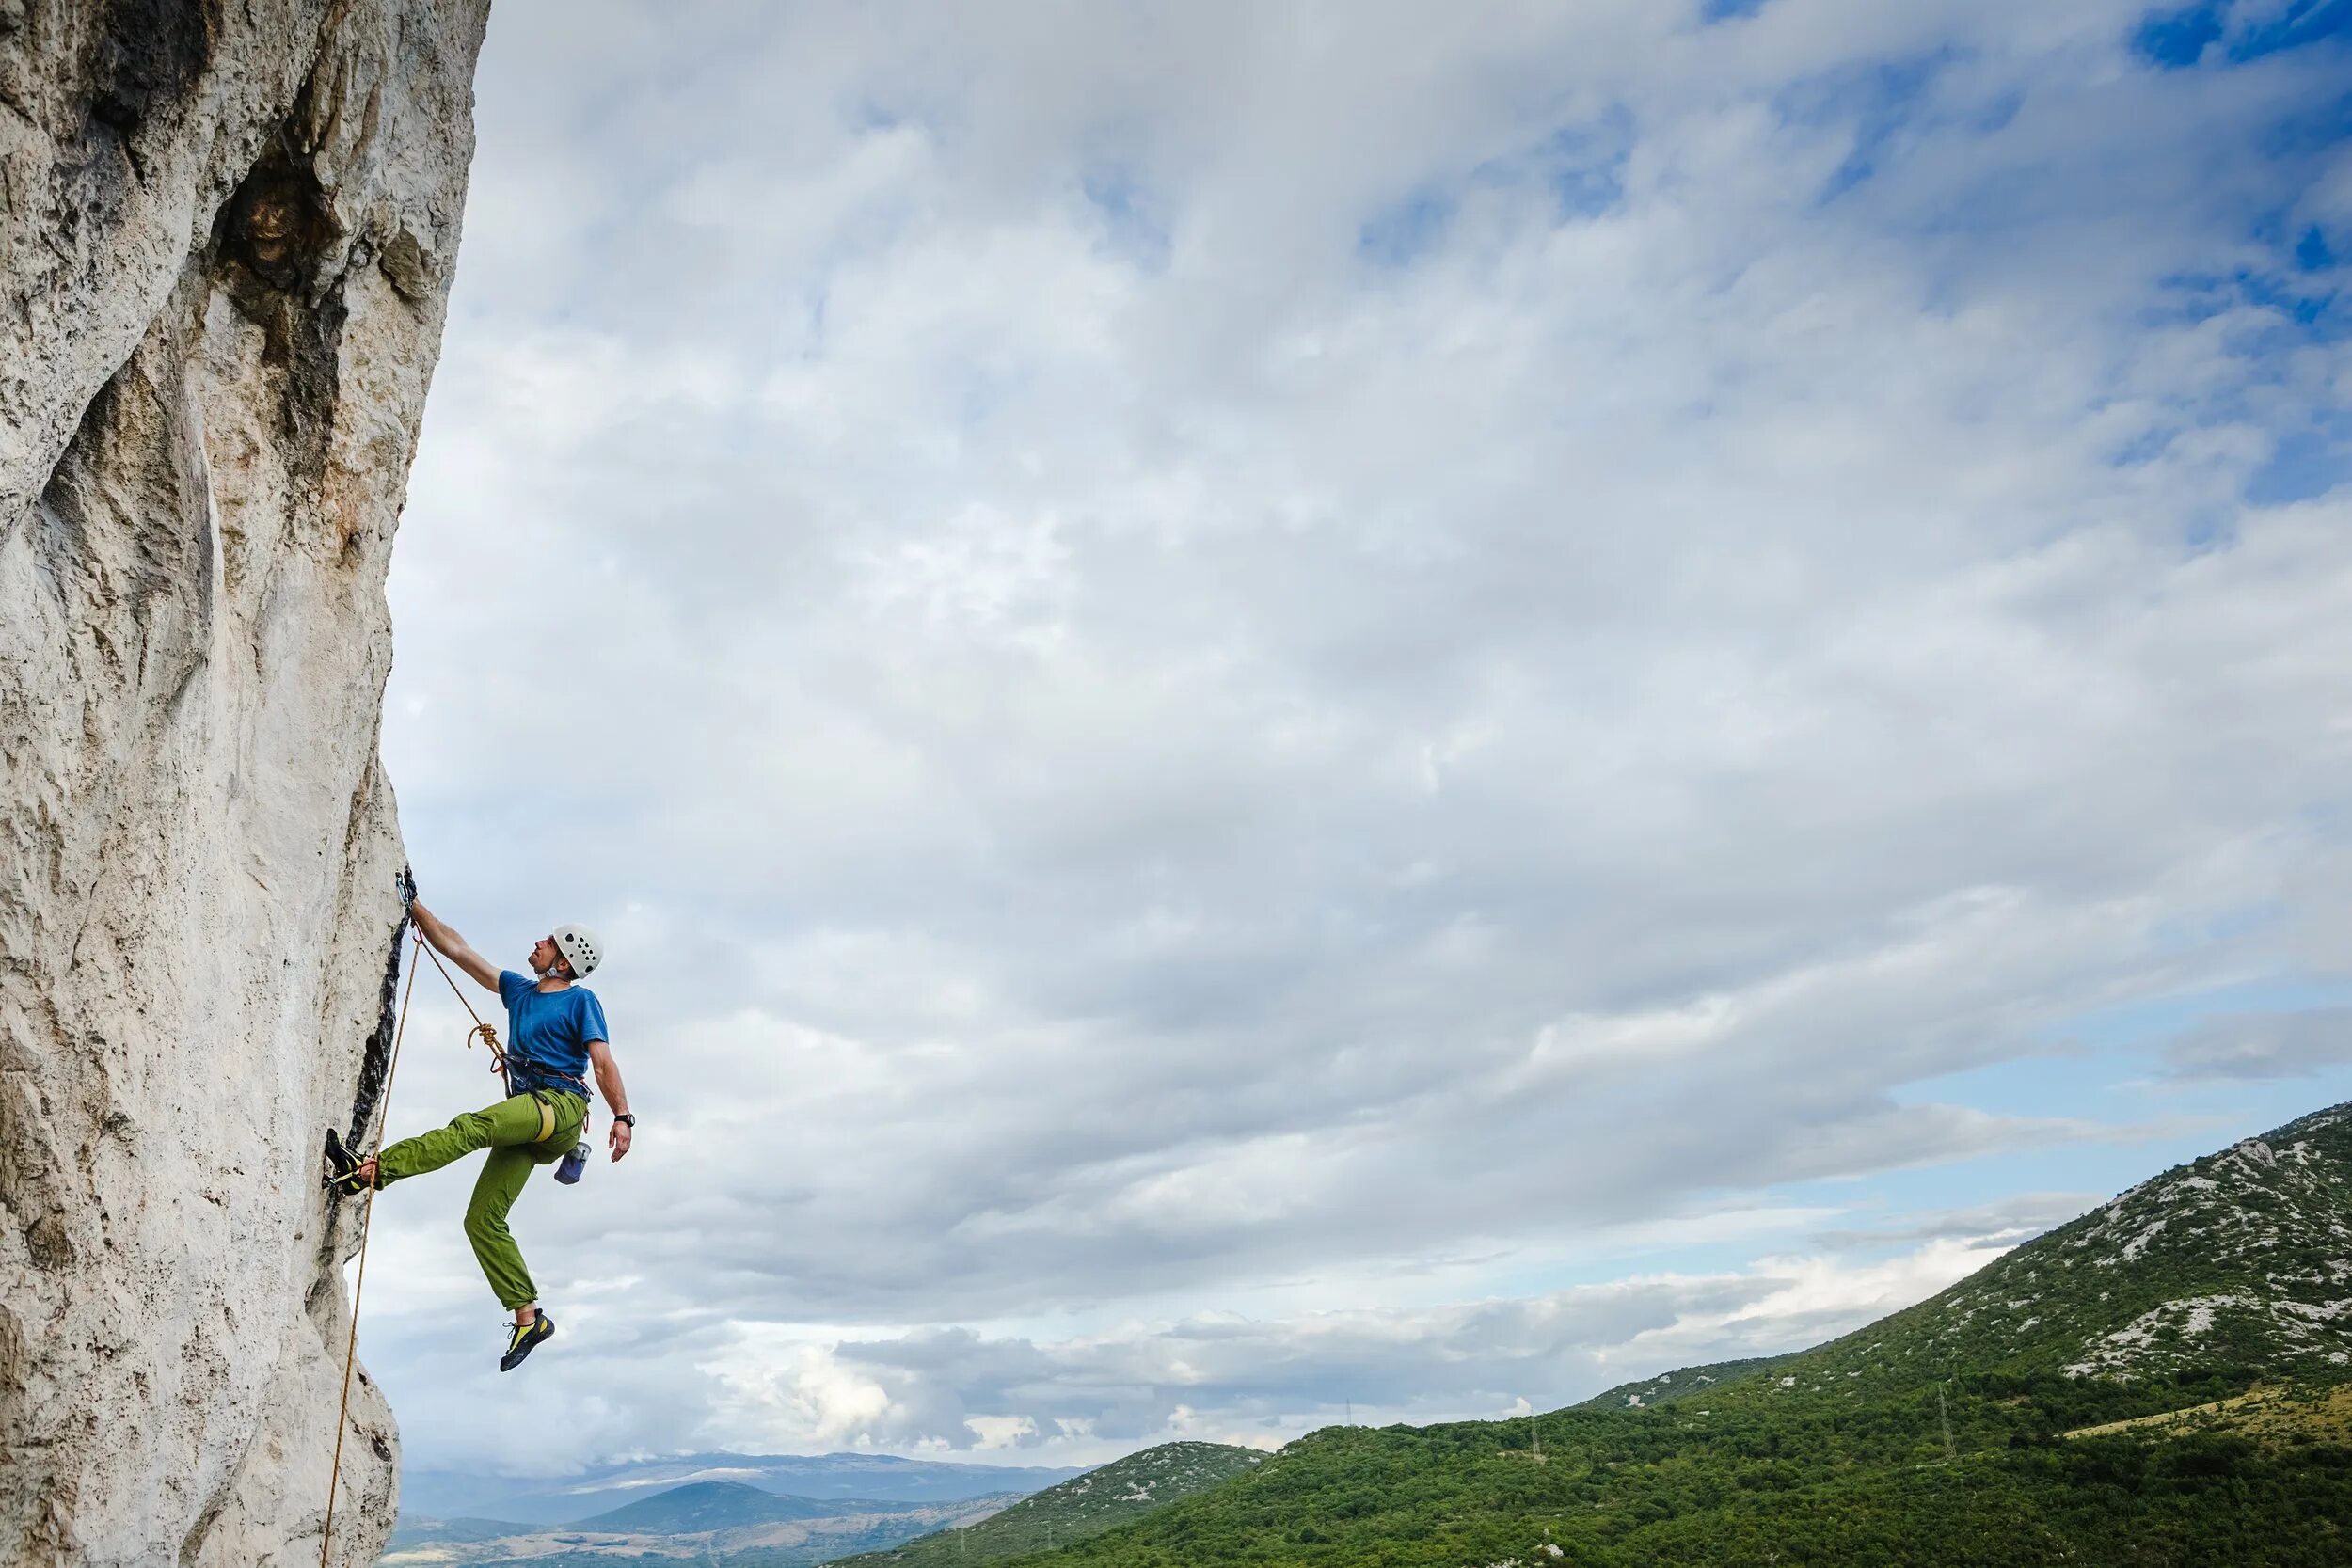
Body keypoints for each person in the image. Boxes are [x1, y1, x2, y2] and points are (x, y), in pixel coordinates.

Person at [326, 896, 635, 1371]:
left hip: (561, 1107)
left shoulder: (581, 1001)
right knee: (481, 1220)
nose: (538, 942)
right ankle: (529, 1316)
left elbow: (602, 1061)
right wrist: (416, 909)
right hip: (533, 1119)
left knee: (475, 1127)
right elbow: (461, 952)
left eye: (548, 941)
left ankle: (370, 1171)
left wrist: (622, 1116)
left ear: (565, 959)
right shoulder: (519, 991)